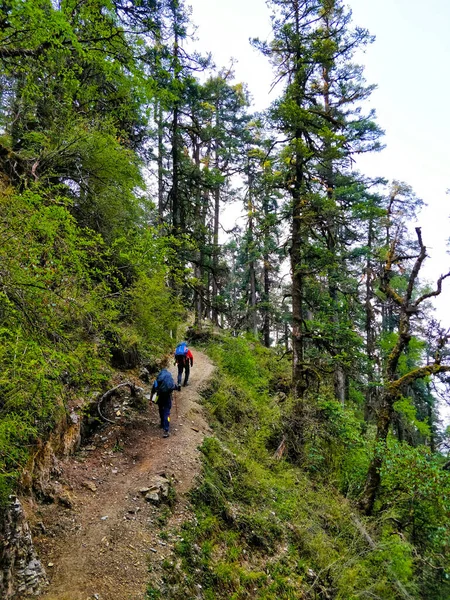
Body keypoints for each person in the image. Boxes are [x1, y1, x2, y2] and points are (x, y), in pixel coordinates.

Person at [150, 368, 177, 438]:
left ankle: (162, 423)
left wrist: (150, 400)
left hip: (160, 397)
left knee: (161, 410)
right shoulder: (169, 378)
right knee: (167, 413)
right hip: (167, 397)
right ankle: (166, 430)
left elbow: (153, 390)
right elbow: (174, 387)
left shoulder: (158, 379)